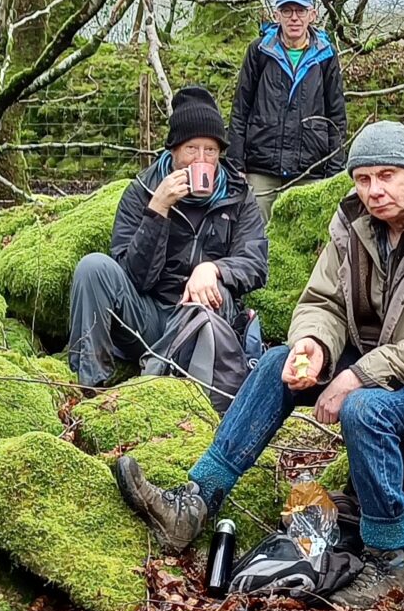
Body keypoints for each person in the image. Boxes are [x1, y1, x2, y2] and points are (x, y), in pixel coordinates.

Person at [112, 121, 404, 609]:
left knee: (365, 409)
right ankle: (197, 501)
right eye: (363, 179)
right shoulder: (354, 224)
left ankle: (388, 563)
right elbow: (323, 301)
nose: (374, 190)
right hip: (389, 355)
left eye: (386, 176)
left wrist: (357, 375)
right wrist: (315, 345)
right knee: (276, 363)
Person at [65, 86, 269, 406]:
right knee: (93, 267)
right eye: (191, 149)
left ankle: (162, 376)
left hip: (201, 324)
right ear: (173, 151)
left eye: (210, 150)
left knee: (215, 291)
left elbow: (255, 263)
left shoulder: (238, 196)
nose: (201, 159)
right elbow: (134, 277)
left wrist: (213, 269)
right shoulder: (143, 191)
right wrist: (157, 210)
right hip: (148, 316)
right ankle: (91, 387)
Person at [228, 0, 347, 224]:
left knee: (303, 239)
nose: (294, 18)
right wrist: (235, 165)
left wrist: (334, 170)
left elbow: (336, 116)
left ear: (312, 15)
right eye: (287, 11)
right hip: (261, 167)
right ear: (277, 15)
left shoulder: (326, 55)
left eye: (300, 11)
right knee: (255, 235)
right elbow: (240, 110)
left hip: (310, 168)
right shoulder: (259, 51)